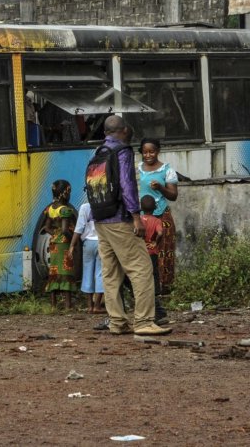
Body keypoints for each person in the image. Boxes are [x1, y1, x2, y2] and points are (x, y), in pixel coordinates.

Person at [88, 115, 171, 336]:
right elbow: (127, 185)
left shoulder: (98, 153)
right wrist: (136, 216)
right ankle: (144, 321)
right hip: (119, 219)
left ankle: (117, 322)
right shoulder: (122, 151)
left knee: (111, 273)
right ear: (123, 130)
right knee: (142, 268)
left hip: (100, 220)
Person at [137, 138, 179, 291]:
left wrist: (161, 187)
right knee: (145, 251)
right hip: (143, 218)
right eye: (145, 152)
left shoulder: (167, 170)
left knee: (165, 250)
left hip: (162, 215)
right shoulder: (138, 168)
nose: (148, 155)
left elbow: (173, 195)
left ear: (158, 151)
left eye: (151, 151)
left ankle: (165, 286)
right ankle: (147, 287)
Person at [42, 180, 77, 309]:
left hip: (54, 244)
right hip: (64, 245)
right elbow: (64, 230)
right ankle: (68, 305)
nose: (69, 195)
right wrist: (72, 239)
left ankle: (53, 304)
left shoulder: (50, 209)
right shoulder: (65, 210)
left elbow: (46, 227)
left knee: (54, 272)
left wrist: (55, 235)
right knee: (66, 271)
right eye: (69, 192)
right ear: (63, 194)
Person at [69, 201, 104, 314]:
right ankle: (97, 306)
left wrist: (72, 245)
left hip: (88, 243)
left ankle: (89, 306)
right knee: (100, 273)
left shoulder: (84, 207)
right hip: (102, 243)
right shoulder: (105, 204)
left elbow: (79, 228)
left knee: (87, 272)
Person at [139, 194, 168, 325]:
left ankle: (150, 309)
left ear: (140, 207)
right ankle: (157, 309)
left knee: (143, 278)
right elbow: (161, 233)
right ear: (155, 207)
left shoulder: (139, 220)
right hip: (152, 253)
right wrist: (156, 243)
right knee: (154, 278)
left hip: (140, 253)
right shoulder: (156, 221)